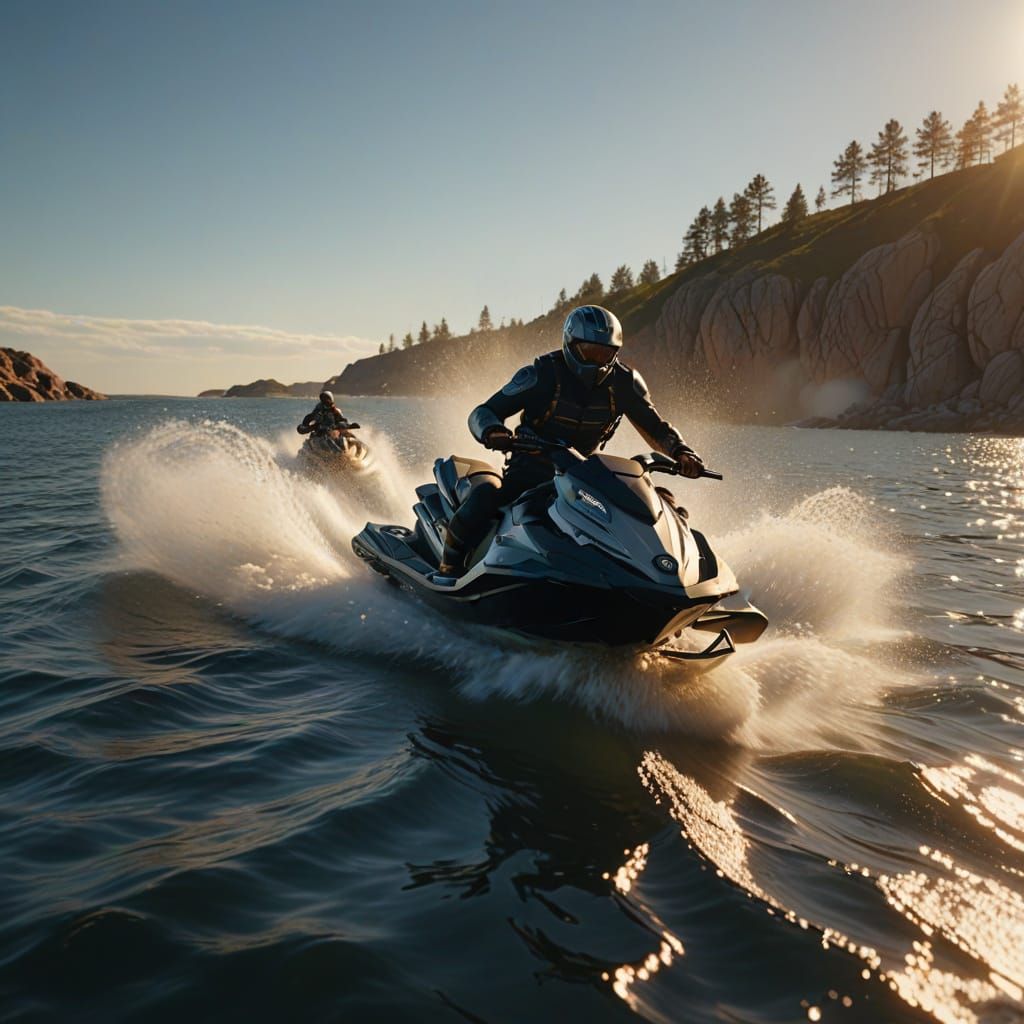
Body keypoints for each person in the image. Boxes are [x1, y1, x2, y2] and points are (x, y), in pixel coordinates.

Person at [437, 305, 703, 578]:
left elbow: (656, 428)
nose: (597, 360)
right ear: (570, 344)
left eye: (605, 353)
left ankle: (677, 574)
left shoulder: (625, 383)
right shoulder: (541, 374)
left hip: (582, 473)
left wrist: (681, 452)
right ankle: (449, 570)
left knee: (659, 501)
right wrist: (493, 430)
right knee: (485, 498)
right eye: (589, 351)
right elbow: (483, 412)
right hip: (530, 469)